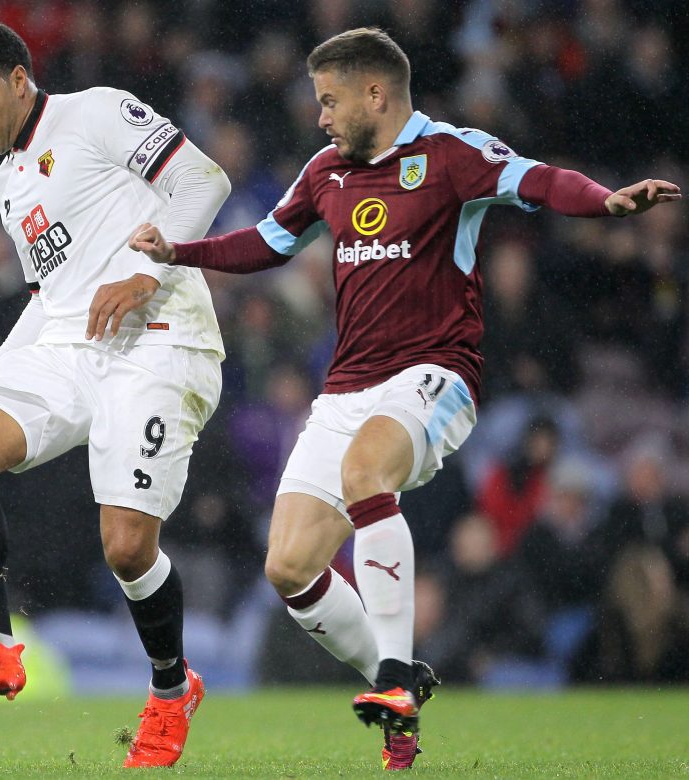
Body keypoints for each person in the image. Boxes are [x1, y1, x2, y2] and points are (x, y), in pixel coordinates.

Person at [128, 26, 681, 771]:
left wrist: (606, 202)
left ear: (375, 93)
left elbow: (539, 179)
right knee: (289, 567)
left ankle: (392, 673)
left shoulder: (451, 155)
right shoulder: (327, 170)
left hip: (435, 376)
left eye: (329, 101)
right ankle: (400, 694)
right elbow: (265, 240)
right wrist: (178, 252)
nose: (320, 117)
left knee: (366, 475)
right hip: (346, 388)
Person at [0, 21, 230, 769]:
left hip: (161, 338)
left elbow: (205, 181)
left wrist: (146, 271)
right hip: (72, 345)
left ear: (19, 79)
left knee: (127, 547)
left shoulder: (98, 112)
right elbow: (50, 301)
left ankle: (172, 689)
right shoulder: (10, 184)